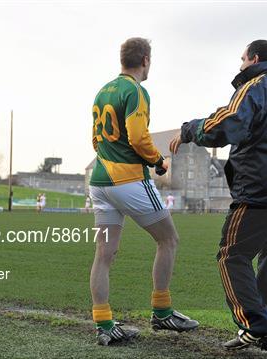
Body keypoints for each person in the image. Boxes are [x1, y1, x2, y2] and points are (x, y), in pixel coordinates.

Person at [170, 39, 267, 351]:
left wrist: (188, 130)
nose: (239, 66)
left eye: (242, 59)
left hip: (259, 190)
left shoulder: (255, 87)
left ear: (253, 59)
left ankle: (256, 324)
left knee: (232, 255)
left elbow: (228, 123)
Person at [89, 37, 198, 346]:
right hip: (128, 181)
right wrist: (157, 161)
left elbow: (95, 142)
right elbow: (138, 137)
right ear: (146, 60)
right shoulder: (136, 91)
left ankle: (104, 324)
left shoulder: (102, 92)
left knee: (104, 255)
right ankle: (162, 311)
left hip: (99, 182)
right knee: (168, 239)